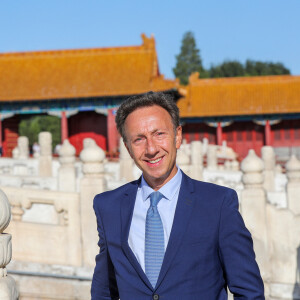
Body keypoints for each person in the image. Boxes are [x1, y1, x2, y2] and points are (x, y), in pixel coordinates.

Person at [91, 92, 264, 299]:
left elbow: (249, 292)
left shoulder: (217, 204)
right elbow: (104, 290)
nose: (151, 149)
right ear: (128, 148)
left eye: (159, 134)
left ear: (178, 136)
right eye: (139, 139)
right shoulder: (109, 206)